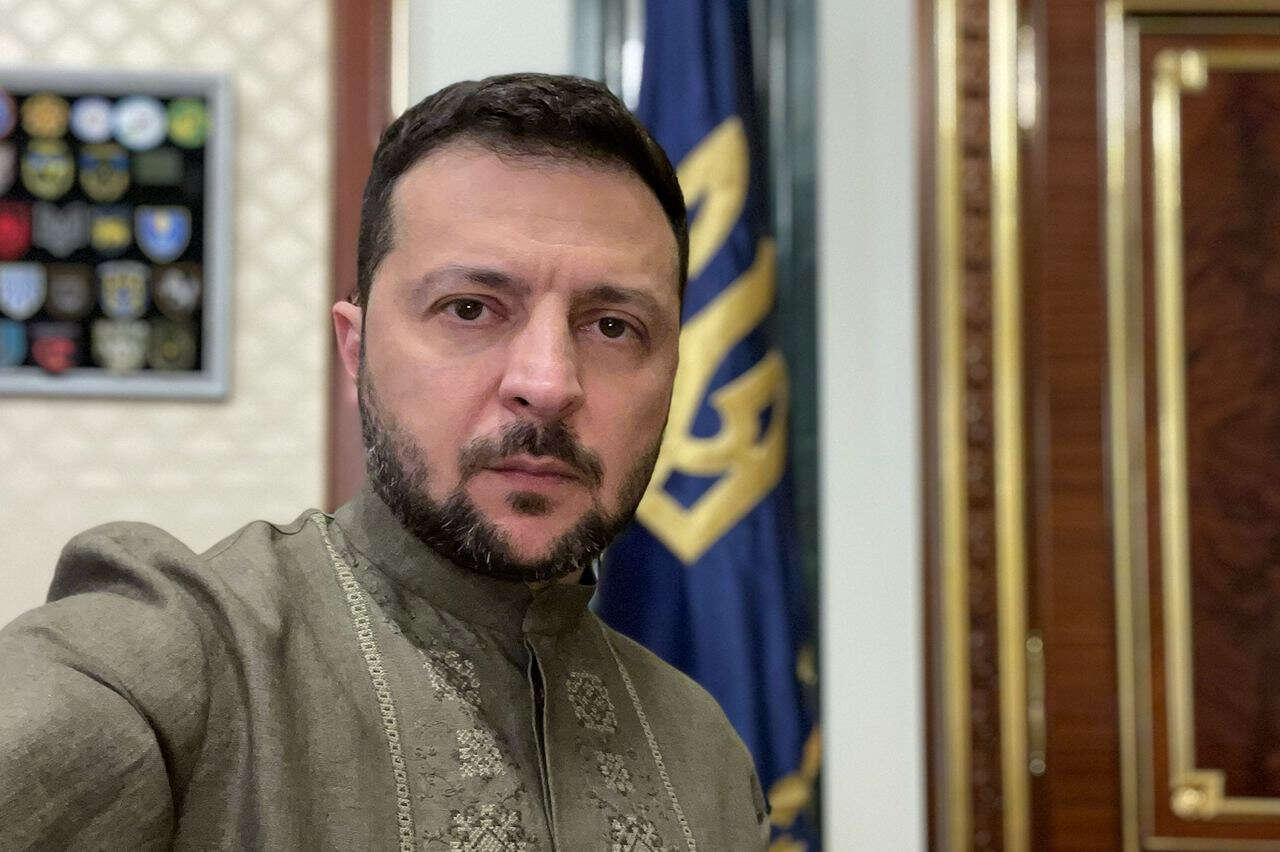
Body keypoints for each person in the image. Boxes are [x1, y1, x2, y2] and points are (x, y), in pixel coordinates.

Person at [0, 73, 769, 849]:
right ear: (356, 349)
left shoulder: (705, 754)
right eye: (469, 308)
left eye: (612, 326)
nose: (548, 385)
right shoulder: (184, 661)